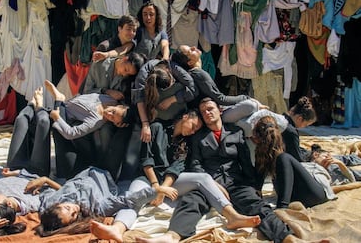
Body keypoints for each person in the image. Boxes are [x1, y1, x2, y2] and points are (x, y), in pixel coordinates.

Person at [89, 108, 261, 243]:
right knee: (132, 198)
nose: (193, 132)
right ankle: (117, 229)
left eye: (196, 130)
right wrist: (157, 187)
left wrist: (165, 188)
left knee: (203, 178)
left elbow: (177, 167)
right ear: (185, 117)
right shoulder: (157, 127)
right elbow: (146, 158)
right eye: (194, 126)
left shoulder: (186, 142)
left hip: (169, 182)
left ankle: (231, 215)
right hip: (147, 179)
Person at [139, 98, 294, 243]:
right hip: (208, 183)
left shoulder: (236, 132)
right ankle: (172, 236)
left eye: (210, 108)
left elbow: (245, 162)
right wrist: (212, 184)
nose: (207, 112)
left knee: (257, 205)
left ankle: (285, 236)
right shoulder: (197, 137)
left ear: (219, 110)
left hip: (235, 182)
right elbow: (195, 164)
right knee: (191, 202)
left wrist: (253, 187)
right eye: (204, 111)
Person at [33, 166, 175, 237]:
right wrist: (157, 190)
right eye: (73, 216)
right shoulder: (94, 207)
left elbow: (49, 192)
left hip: (85, 168)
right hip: (109, 172)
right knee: (126, 133)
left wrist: (45, 180)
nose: (74, 210)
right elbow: (125, 199)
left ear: (57, 205)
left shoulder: (48, 203)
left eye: (68, 208)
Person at [44, 80, 132, 179]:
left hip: (64, 113)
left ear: (115, 123)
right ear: (118, 106)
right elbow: (88, 91)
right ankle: (58, 101)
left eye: (112, 118)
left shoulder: (96, 121)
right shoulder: (110, 98)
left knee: (51, 123)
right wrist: (107, 91)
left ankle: (58, 100)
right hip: (72, 100)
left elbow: (71, 133)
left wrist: (57, 118)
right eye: (113, 111)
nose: (109, 114)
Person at [252, 116, 335, 209]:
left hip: (312, 194)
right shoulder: (262, 154)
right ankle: (283, 205)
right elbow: (258, 184)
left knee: (284, 158)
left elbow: (258, 184)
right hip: (301, 195)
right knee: (283, 159)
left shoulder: (285, 148)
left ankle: (282, 207)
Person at [133, 59, 197, 143]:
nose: (173, 81)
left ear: (168, 70)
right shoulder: (142, 78)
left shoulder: (175, 68)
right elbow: (139, 100)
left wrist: (172, 99)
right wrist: (145, 124)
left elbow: (194, 89)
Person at [6, 87, 51, 176]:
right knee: (43, 122)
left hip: (13, 171)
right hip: (36, 175)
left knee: (20, 119)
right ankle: (39, 107)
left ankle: (31, 105)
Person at [282, 96, 317, 162]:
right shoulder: (291, 132)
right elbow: (297, 158)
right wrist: (310, 157)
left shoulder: (281, 119)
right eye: (306, 124)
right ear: (300, 119)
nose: (304, 127)